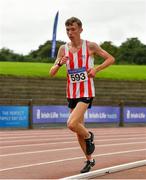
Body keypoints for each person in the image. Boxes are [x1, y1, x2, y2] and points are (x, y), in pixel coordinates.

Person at [49, 17, 115, 173]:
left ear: (80, 30)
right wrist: (59, 64)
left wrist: (96, 69)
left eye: (73, 29)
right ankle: (89, 160)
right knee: (78, 129)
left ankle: (89, 136)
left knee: (72, 124)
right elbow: (51, 72)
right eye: (67, 30)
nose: (70, 33)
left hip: (86, 91)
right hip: (71, 93)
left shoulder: (90, 46)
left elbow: (111, 58)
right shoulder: (63, 49)